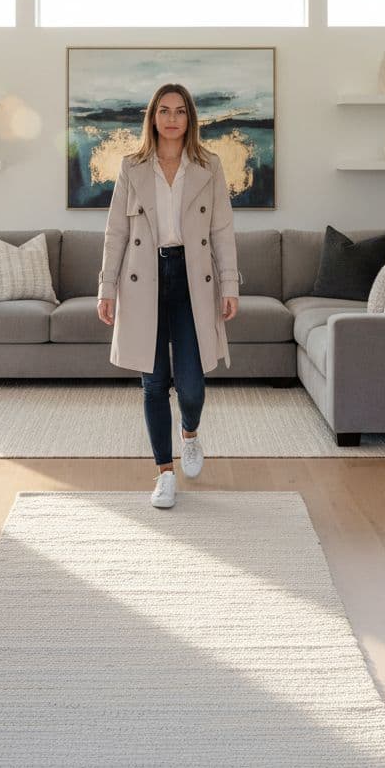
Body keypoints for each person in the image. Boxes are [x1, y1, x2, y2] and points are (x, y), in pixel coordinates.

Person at [97, 83, 240, 509]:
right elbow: (116, 232)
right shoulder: (132, 167)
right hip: (144, 278)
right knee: (154, 382)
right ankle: (164, 473)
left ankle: (190, 433)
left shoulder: (209, 166)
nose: (172, 119)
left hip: (193, 278)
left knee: (192, 386)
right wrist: (106, 288)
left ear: (190, 118)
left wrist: (230, 284)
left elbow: (222, 230)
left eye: (180, 111)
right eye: (164, 111)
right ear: (153, 117)